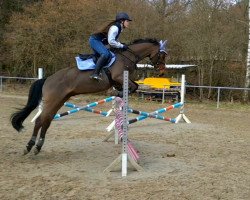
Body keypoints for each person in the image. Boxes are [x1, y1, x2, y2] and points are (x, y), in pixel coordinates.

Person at [89, 12, 132, 80]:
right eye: (127, 21)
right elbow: (111, 42)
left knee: (111, 54)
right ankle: (95, 74)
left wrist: (121, 45)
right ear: (122, 21)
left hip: (100, 41)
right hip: (95, 40)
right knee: (105, 54)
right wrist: (121, 46)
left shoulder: (119, 27)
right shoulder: (115, 28)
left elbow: (115, 39)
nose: (128, 23)